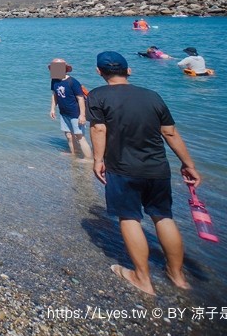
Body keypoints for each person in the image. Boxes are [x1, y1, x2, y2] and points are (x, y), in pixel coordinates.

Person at [87, 51, 202, 296]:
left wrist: (97, 160)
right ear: (129, 70)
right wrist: (188, 163)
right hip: (158, 168)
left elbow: (98, 129)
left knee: (129, 217)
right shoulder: (152, 96)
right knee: (163, 217)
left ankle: (142, 278)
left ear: (99, 72)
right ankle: (177, 276)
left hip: (122, 167)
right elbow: (170, 133)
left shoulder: (98, 95)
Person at [48, 58, 92, 160]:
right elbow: (54, 95)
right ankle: (74, 154)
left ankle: (88, 159)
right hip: (63, 113)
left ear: (64, 69)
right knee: (68, 135)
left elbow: (80, 99)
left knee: (79, 136)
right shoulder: (54, 81)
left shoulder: (73, 82)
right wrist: (52, 109)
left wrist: (82, 115)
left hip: (75, 113)